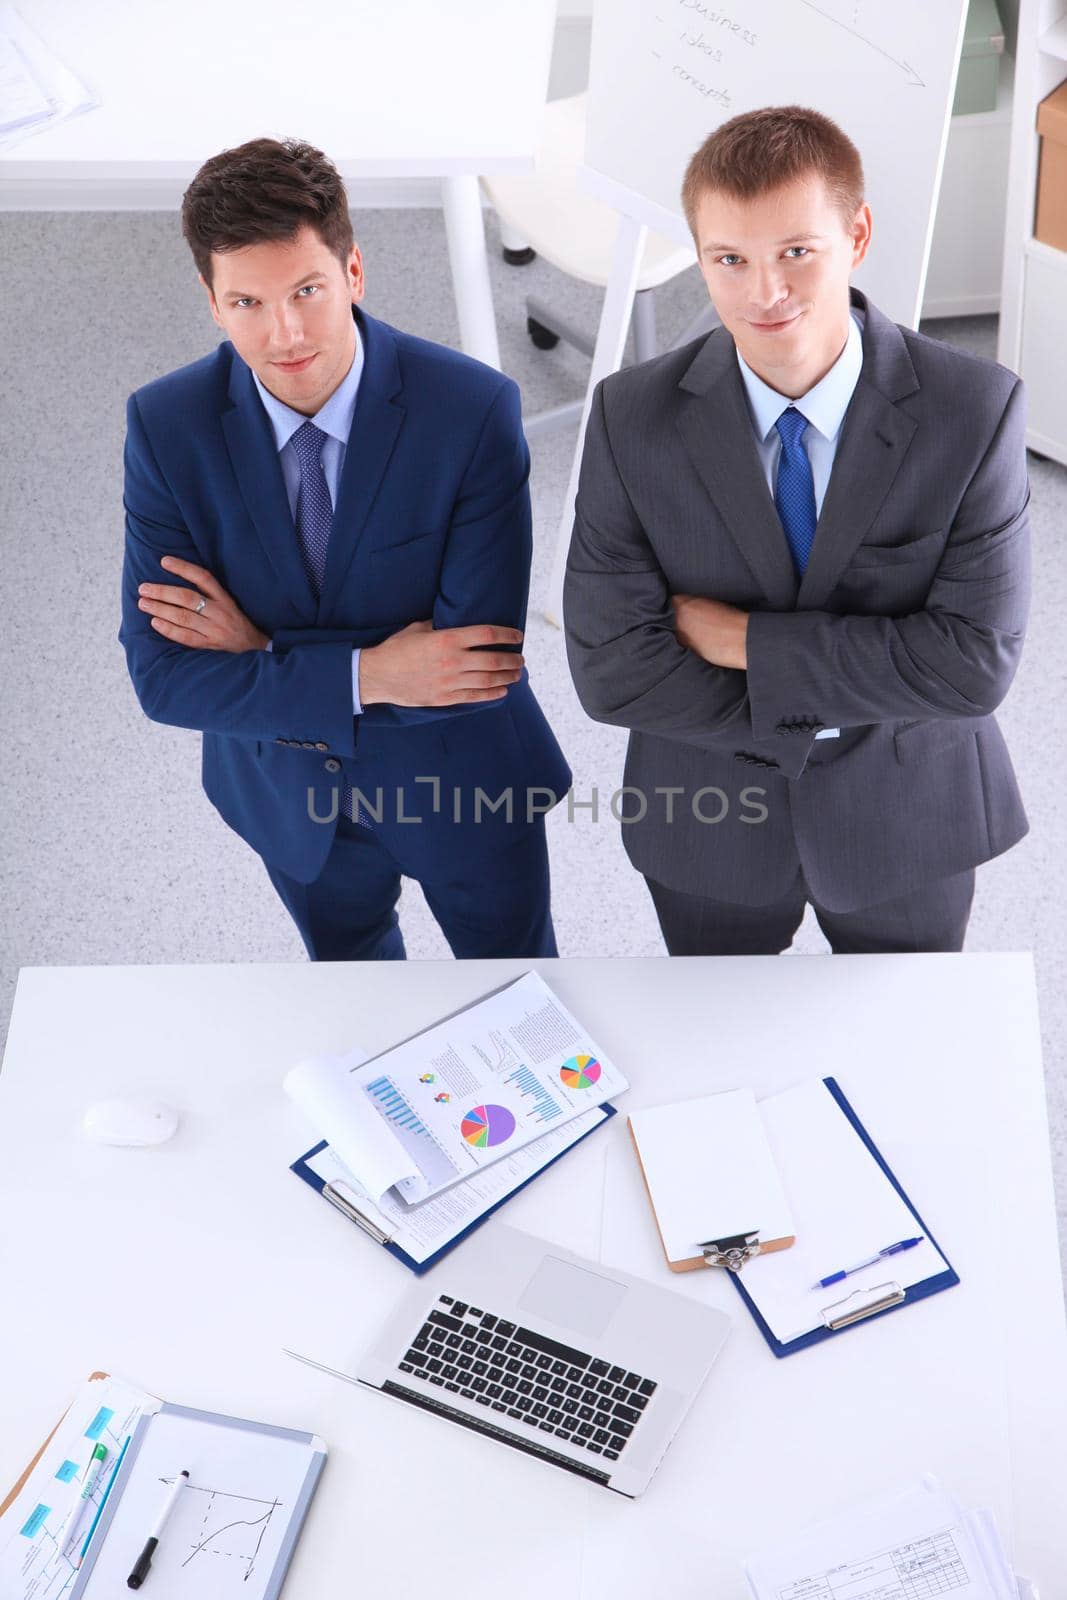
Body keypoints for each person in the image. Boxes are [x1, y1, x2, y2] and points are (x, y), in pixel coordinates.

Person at [564, 106, 1030, 955]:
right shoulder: (630, 417)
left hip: (907, 819)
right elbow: (612, 673)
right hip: (707, 821)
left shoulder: (973, 411)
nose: (762, 293)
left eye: (795, 253)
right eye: (729, 260)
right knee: (717, 1048)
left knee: (898, 1052)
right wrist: (869, 678)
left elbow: (970, 668)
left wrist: (744, 641)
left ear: (855, 236)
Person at [120, 137, 570, 961]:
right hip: (288, 803)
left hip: (460, 789)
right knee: (354, 999)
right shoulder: (165, 426)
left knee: (518, 992)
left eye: (307, 291)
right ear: (212, 302)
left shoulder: (471, 412)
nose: (284, 334)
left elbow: (475, 668)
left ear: (353, 272)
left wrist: (258, 653)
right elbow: (164, 678)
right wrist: (372, 673)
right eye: (247, 303)